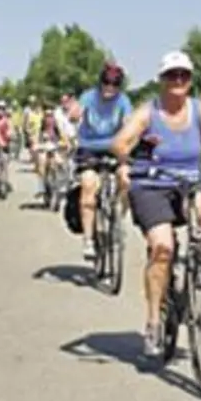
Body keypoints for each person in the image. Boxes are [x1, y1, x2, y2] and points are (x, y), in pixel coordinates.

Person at [112, 51, 201, 356]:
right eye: (172, 75)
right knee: (163, 248)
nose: (178, 81)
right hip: (151, 184)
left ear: (191, 80)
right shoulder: (149, 112)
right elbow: (120, 142)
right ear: (162, 80)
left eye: (184, 75)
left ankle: (197, 260)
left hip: (188, 180)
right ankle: (153, 323)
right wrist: (133, 153)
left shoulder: (200, 110)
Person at [70, 64, 134, 261]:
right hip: (89, 146)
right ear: (100, 83)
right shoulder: (89, 97)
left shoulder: (123, 100)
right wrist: (74, 113)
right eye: (106, 82)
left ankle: (118, 216)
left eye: (115, 84)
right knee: (88, 185)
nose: (110, 87)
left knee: (126, 178)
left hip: (115, 146)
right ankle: (89, 239)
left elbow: (129, 122)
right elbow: (76, 112)